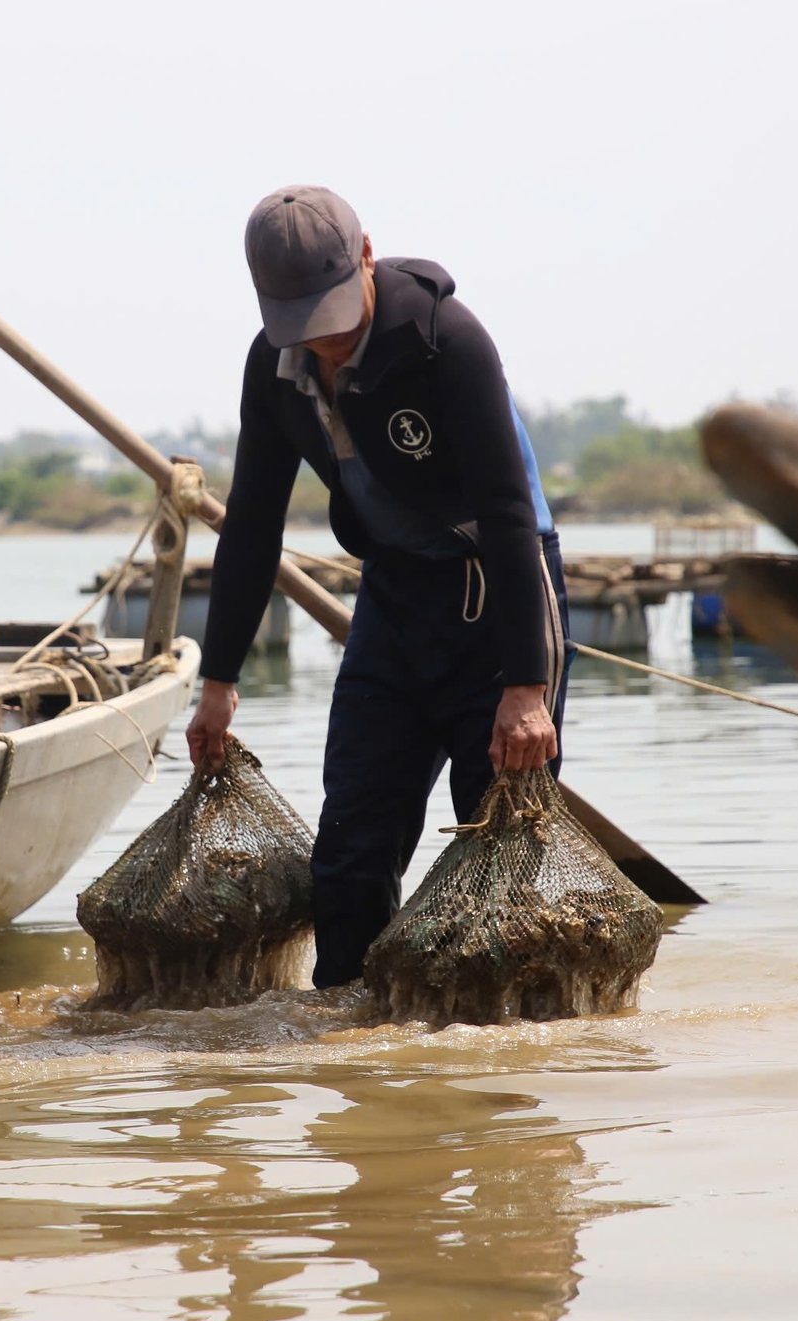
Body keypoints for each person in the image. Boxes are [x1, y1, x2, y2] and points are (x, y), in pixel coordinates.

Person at [187, 185, 572, 987]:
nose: (323, 344)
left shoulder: (448, 343)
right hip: (393, 606)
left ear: (366, 256)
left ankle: (505, 1090)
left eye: (332, 317)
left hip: (496, 601)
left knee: (497, 866)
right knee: (350, 861)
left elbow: (507, 513)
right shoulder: (274, 366)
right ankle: (355, 1073)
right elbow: (253, 524)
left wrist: (527, 689)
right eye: (301, 324)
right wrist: (217, 683)